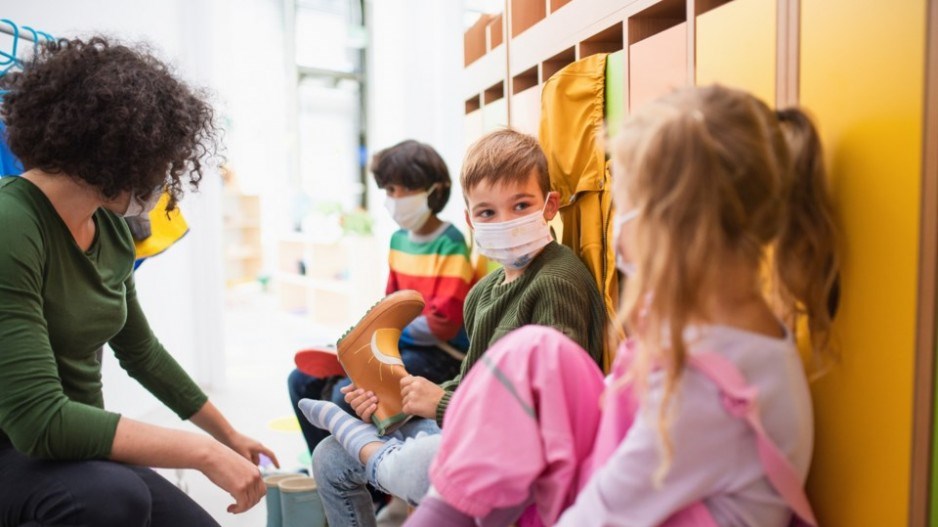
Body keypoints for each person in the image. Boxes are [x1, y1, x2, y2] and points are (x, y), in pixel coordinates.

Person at [404, 85, 839, 526]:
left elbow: (601, 515)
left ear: (675, 229)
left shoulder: (706, 392)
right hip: (621, 491)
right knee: (533, 351)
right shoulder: (714, 328)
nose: (617, 226)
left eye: (625, 206)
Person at [0, 37, 277, 526]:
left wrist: (225, 435)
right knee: (115, 497)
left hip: (73, 449)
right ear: (119, 151)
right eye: (162, 162)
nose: (164, 180)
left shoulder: (109, 230)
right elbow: (38, 420)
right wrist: (200, 453)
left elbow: (141, 351)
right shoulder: (10, 224)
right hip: (17, 447)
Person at [298, 129, 607, 527]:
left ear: (549, 206)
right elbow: (471, 382)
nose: (506, 222)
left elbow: (553, 411)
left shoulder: (556, 282)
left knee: (410, 466)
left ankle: (379, 457)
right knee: (328, 457)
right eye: (488, 213)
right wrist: (401, 404)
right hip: (471, 429)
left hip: (515, 455)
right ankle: (376, 447)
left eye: (521, 205)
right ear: (470, 219)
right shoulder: (484, 292)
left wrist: (441, 405)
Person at [287, 140, 472, 457]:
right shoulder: (398, 240)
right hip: (400, 343)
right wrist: (376, 337)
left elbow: (442, 324)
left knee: (345, 398)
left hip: (440, 353)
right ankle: (323, 471)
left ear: (431, 190)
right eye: (388, 190)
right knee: (300, 381)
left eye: (401, 190)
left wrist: (379, 338)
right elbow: (390, 303)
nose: (393, 199)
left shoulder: (450, 241)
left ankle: (368, 489)